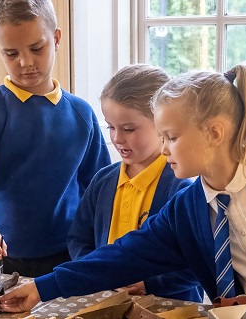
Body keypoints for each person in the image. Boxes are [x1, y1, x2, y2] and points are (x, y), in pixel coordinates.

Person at [0, 62, 246, 312]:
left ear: (214, 133)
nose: (164, 147)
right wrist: (42, 287)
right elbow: (120, 256)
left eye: (170, 136)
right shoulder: (187, 209)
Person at [0, 0, 111, 277]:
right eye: (11, 53)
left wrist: (103, 251)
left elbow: (101, 189)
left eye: (37, 48)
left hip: (68, 260)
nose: (26, 62)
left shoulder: (81, 113)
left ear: (56, 38)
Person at [67, 64, 203, 302]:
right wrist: (94, 273)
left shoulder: (183, 188)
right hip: (106, 304)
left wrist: (149, 283)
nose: (117, 138)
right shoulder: (102, 182)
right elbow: (79, 238)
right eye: (111, 127)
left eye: (129, 129)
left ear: (162, 124)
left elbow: (198, 265)